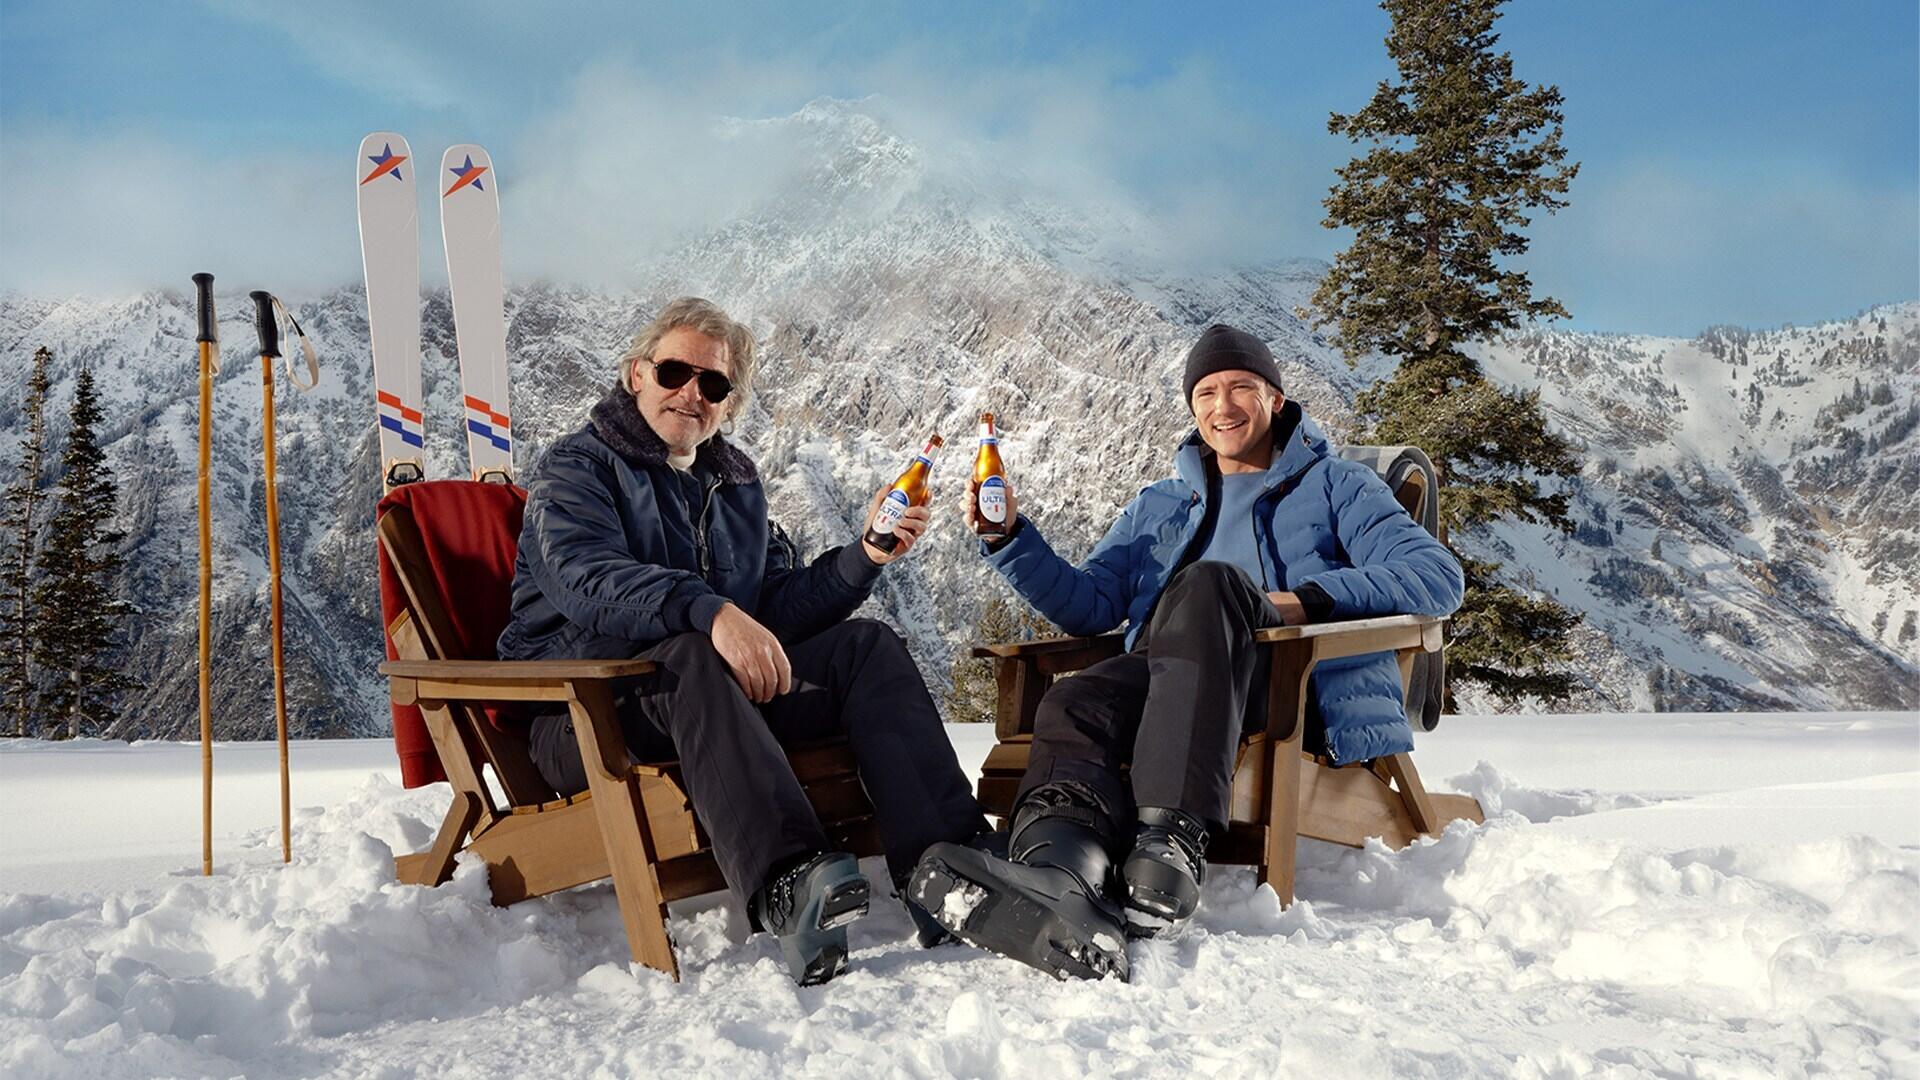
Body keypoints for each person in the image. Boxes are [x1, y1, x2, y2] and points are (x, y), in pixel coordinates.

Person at [909, 323, 1465, 981]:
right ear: (1192, 407)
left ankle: (1169, 845)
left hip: (1284, 680)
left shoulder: (1336, 485)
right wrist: (1009, 540)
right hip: (1165, 675)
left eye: (1241, 388)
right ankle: (1059, 874)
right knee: (1077, 698)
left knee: (1207, 584)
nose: (1223, 406)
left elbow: (1436, 576)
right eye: (1207, 392)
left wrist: (1297, 602)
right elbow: (1090, 605)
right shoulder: (1162, 502)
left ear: (1276, 400)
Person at [497, 297, 987, 986]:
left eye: (715, 384)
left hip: (715, 704)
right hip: (586, 711)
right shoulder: (577, 469)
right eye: (674, 372)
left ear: (729, 403)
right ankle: (791, 879)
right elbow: (586, 579)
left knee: (865, 647)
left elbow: (779, 607)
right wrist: (711, 611)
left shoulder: (733, 486)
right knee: (693, 650)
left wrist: (866, 555)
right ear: (637, 373)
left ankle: (951, 866)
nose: (691, 393)